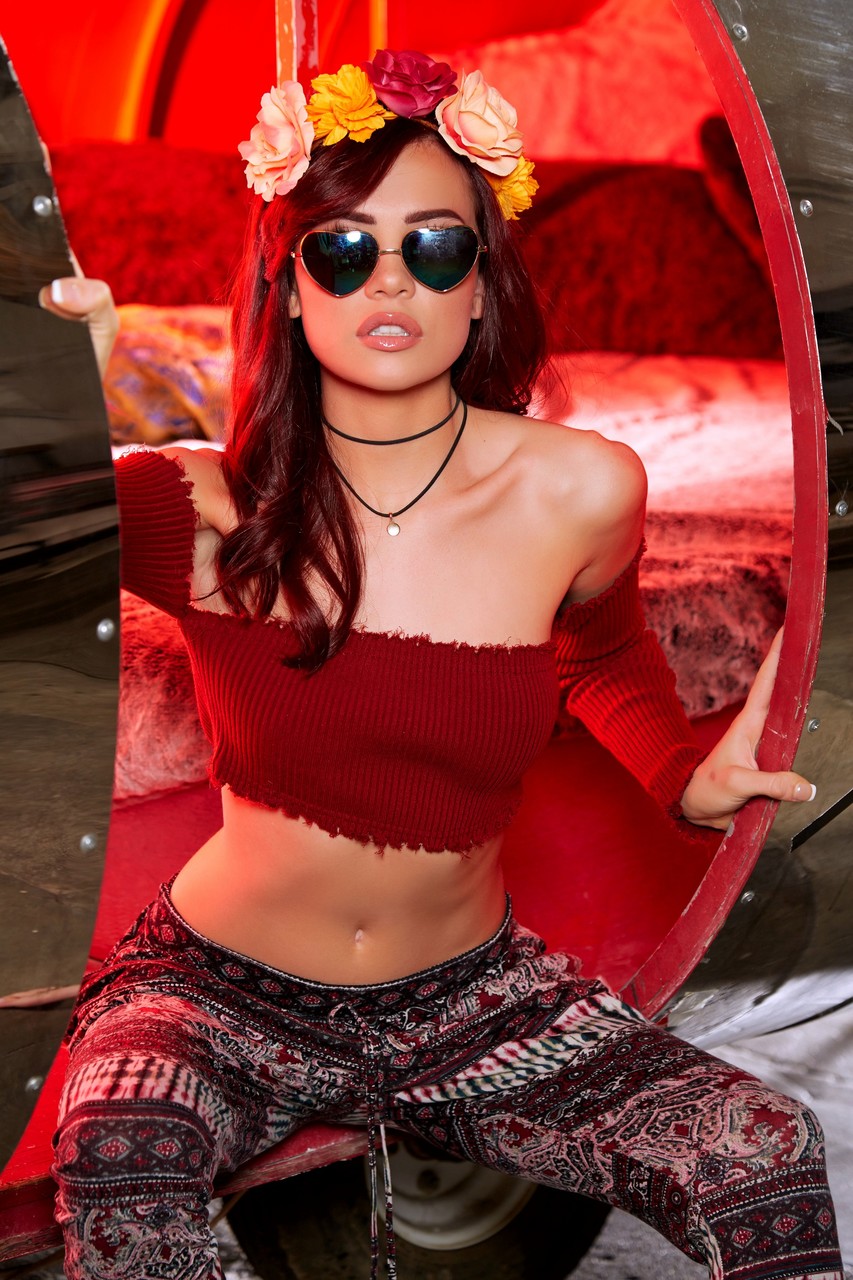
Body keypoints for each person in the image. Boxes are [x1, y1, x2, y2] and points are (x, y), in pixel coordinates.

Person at [40, 51, 842, 1280]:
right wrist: (50, 406)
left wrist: (684, 778)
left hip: (470, 998)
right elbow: (27, 544)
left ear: (479, 286)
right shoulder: (200, 502)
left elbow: (599, 652)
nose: (389, 281)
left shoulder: (579, 489)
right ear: (288, 288)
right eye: (342, 251)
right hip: (213, 993)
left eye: (433, 248)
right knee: (120, 1150)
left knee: (761, 1149)